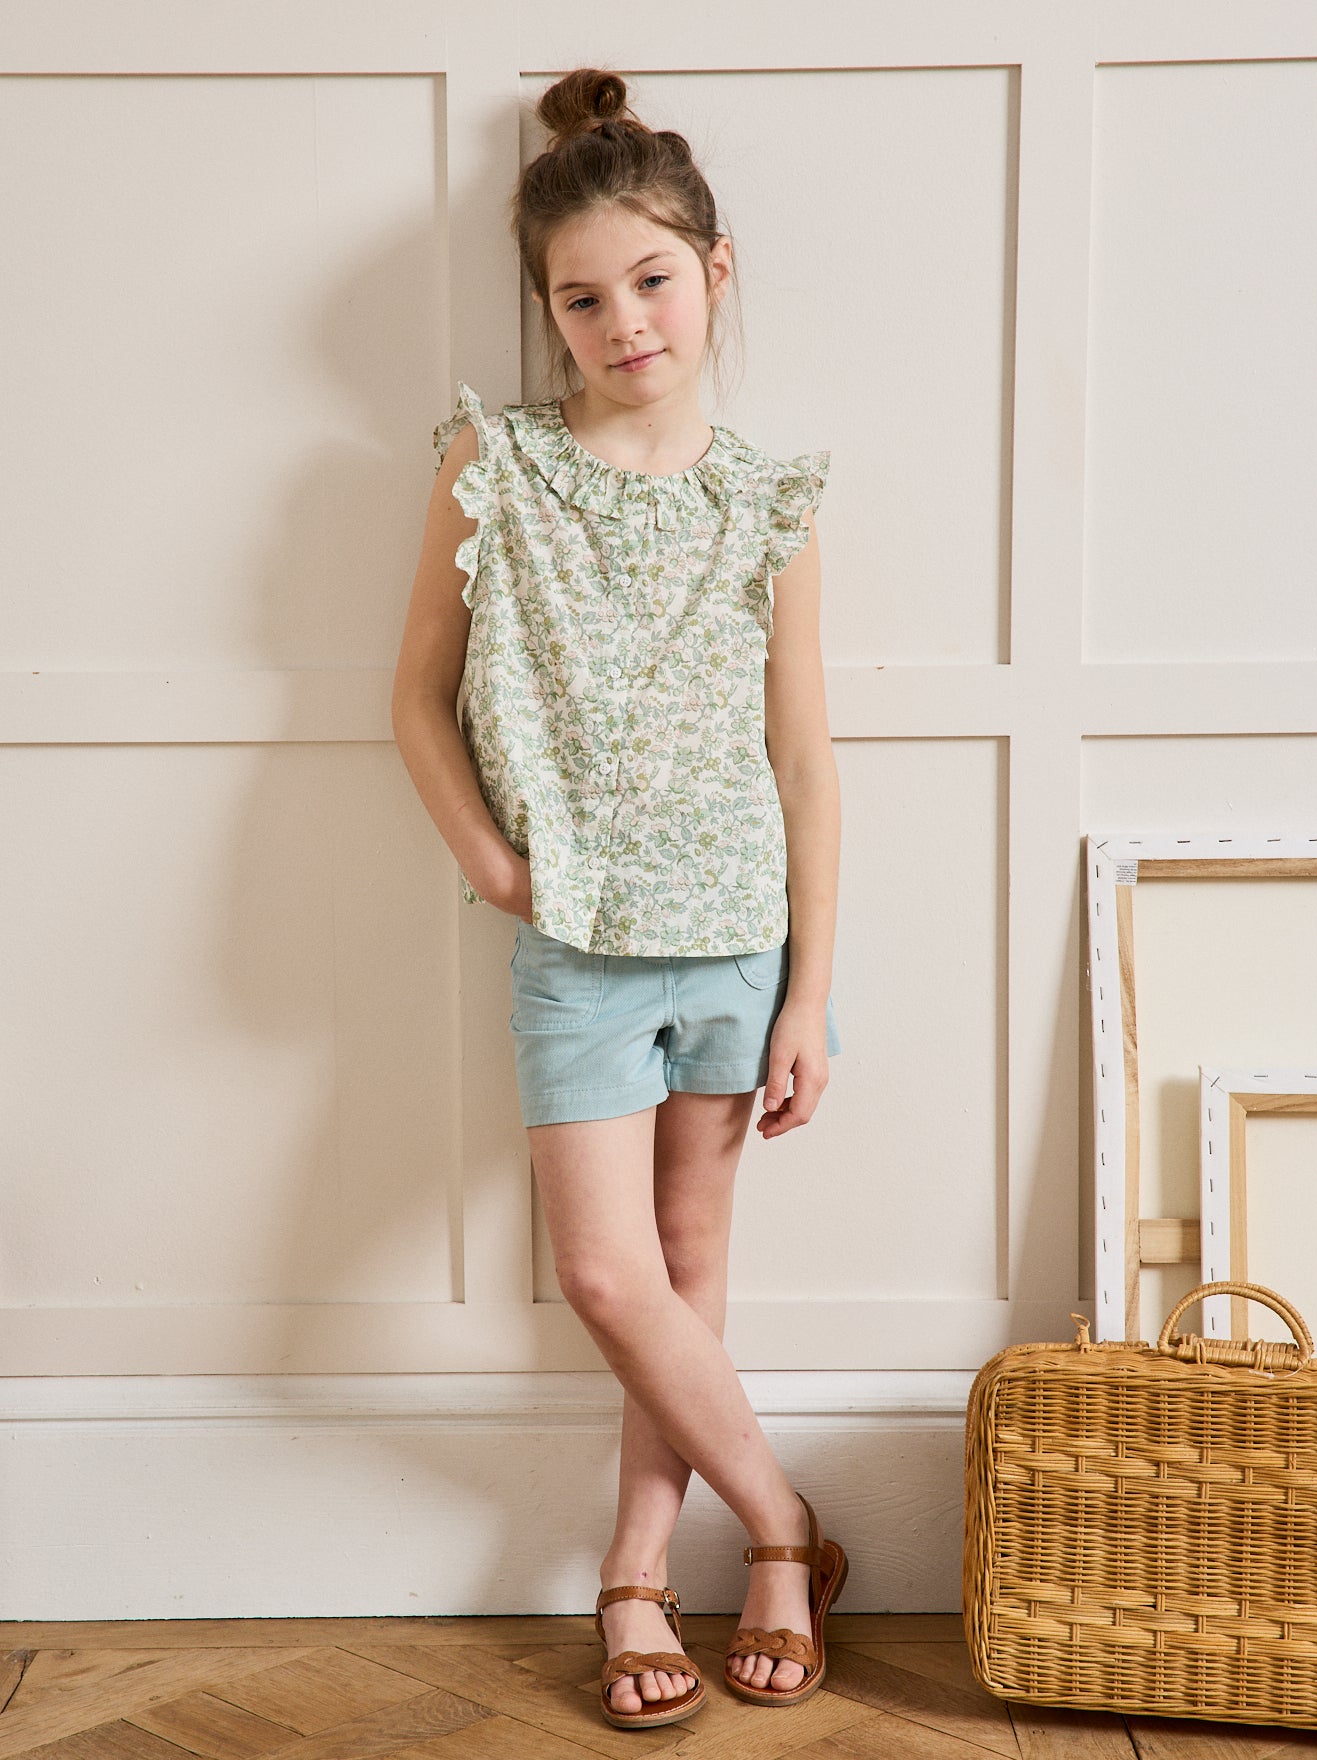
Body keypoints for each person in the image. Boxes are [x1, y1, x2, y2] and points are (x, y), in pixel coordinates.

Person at [392, 65, 848, 1732]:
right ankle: (788, 1523)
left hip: (734, 937)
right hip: (575, 940)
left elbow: (806, 761)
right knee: (607, 1275)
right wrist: (492, 863)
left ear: (713, 273)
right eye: (581, 298)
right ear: (548, 312)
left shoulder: (768, 498)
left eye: (651, 280)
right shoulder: (495, 464)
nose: (622, 322)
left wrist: (808, 995)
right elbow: (413, 695)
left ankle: (640, 1571)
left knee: (688, 1267)